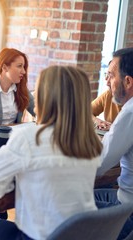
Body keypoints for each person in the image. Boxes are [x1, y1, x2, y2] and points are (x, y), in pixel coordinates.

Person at [0, 65, 102, 240]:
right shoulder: (91, 142)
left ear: (44, 97)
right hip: (83, 234)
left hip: (40, 236)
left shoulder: (28, 137)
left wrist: (13, 182)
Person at [94, 47, 133, 239]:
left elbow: (99, 164)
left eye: (110, 75)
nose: (107, 81)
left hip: (127, 211)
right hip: (124, 198)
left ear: (128, 81)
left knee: (62, 205)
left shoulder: (129, 113)